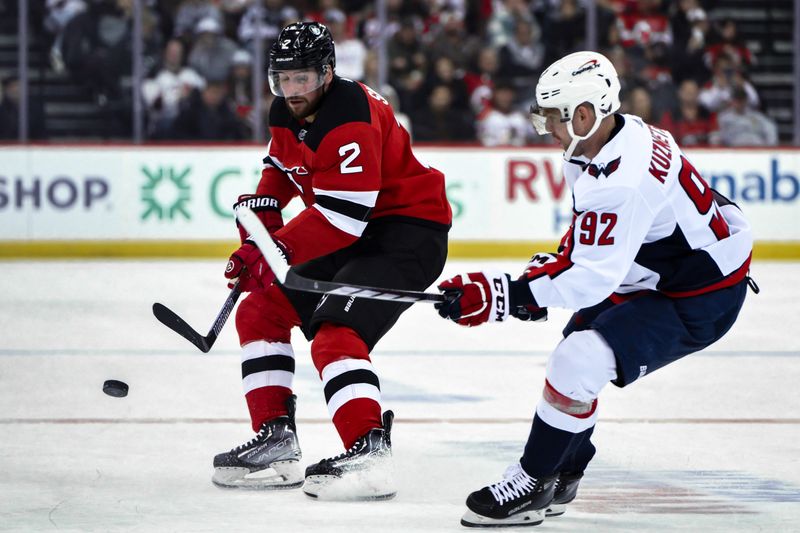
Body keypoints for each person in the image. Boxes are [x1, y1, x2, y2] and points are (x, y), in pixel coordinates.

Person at [434, 50, 754, 527]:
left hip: (700, 294)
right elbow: (592, 239)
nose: (548, 131)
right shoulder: (608, 140)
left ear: (583, 114)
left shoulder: (622, 179)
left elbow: (591, 277)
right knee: (574, 358)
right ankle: (563, 471)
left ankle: (533, 480)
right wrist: (541, 279)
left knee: (576, 361)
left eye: (551, 120)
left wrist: (503, 294)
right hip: (666, 270)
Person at [212, 21, 452, 501]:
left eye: (301, 78)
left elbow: (345, 217)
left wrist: (274, 248)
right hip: (353, 231)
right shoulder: (286, 110)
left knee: (335, 336)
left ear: (326, 74)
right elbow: (278, 173)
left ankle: (368, 451)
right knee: (260, 309)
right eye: (283, 78)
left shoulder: (350, 115)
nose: (291, 89)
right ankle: (277, 442)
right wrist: (260, 231)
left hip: (405, 235)